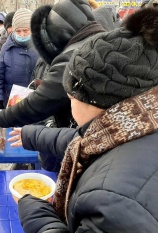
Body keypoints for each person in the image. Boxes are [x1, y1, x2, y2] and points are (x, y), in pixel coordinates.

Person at [14, 7, 158, 232]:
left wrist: (34, 210)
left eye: (70, 97)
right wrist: (29, 135)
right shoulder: (135, 123)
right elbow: (80, 140)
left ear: (93, 100)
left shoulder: (113, 201)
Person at [0, 0, 105, 129]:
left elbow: (45, 98)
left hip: (81, 128)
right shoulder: (96, 41)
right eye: (18, 31)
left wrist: (2, 119)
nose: (22, 35)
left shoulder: (74, 54)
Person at [0, 8, 39, 109]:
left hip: (35, 103)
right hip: (11, 103)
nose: (22, 34)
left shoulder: (41, 47)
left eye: (25, 31)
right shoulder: (6, 47)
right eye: (18, 31)